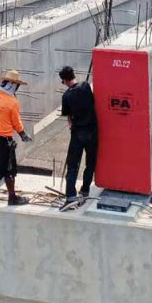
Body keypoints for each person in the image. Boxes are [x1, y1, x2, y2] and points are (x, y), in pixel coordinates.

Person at [0, 68, 32, 207]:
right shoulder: (12, 102)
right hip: (3, 139)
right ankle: (12, 198)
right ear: (13, 85)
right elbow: (16, 122)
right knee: (9, 170)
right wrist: (23, 135)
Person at [58, 66, 98, 208]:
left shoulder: (66, 96)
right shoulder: (86, 86)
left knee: (73, 165)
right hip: (92, 132)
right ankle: (85, 190)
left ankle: (70, 196)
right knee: (90, 163)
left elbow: (69, 118)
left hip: (77, 133)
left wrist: (73, 123)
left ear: (64, 80)